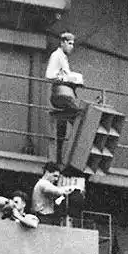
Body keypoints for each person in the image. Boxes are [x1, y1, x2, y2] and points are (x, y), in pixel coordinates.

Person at [46, 31, 87, 166]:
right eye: (69, 43)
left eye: (72, 44)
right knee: (80, 117)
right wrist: (67, 78)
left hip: (67, 94)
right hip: (61, 95)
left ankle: (60, 157)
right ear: (62, 43)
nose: (71, 47)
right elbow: (49, 75)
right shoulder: (56, 56)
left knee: (63, 122)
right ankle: (75, 153)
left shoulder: (63, 57)